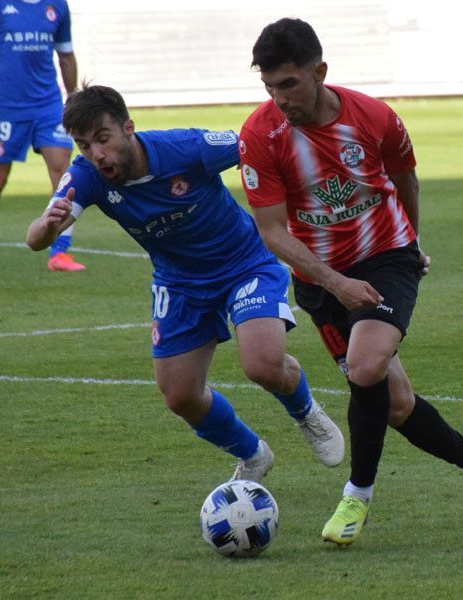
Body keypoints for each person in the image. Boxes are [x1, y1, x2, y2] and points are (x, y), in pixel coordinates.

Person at [238, 17, 463, 546]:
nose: (279, 98)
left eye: (289, 84)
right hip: (321, 280)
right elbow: (272, 232)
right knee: (395, 404)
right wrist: (337, 284)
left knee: (366, 367)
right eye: (269, 87)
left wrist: (412, 243)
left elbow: (405, 177)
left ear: (320, 71)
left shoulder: (375, 118)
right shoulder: (260, 136)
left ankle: (356, 495)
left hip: (385, 256)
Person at [26, 84, 344, 483]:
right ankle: (253, 455)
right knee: (180, 395)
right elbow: (35, 240)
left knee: (263, 365)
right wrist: (48, 226)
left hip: (244, 264)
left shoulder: (188, 148)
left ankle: (306, 412)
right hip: (179, 284)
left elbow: (255, 144)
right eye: (84, 145)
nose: (96, 154)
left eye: (102, 140)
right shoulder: (86, 176)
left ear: (128, 128)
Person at [0, 0, 85, 273]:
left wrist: (74, 97)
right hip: (7, 109)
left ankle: (60, 253)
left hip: (48, 106)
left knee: (63, 176)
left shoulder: (57, 6)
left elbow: (66, 55)